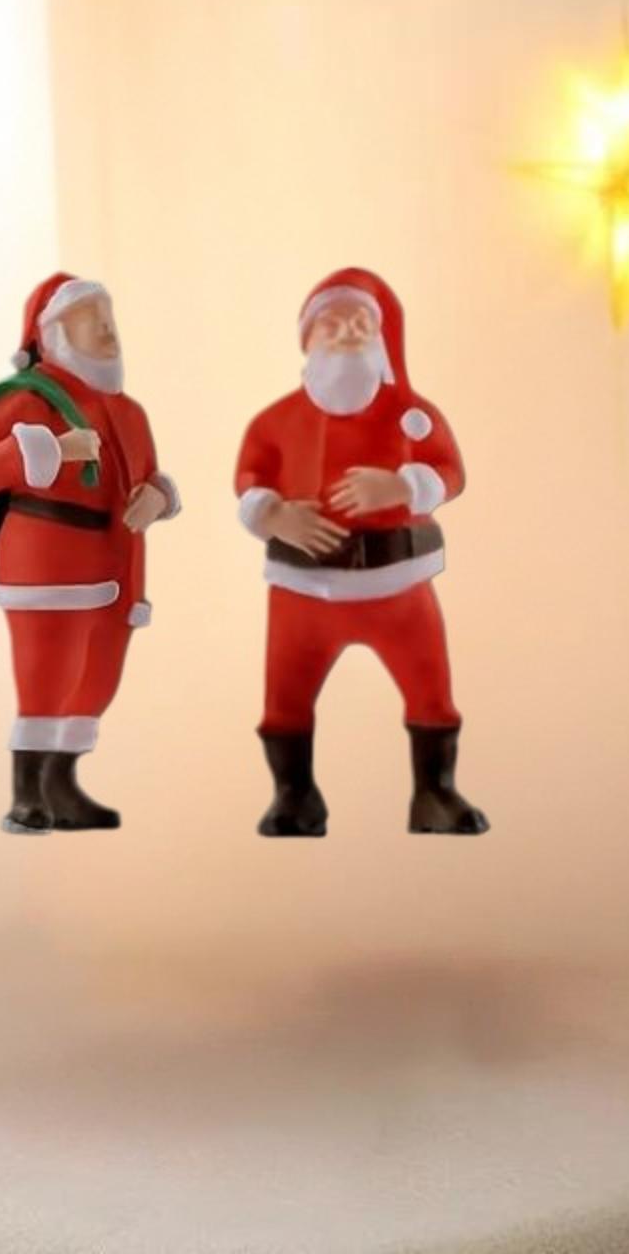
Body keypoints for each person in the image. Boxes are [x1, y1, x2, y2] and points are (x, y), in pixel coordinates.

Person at [234, 267, 489, 837]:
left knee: (429, 688)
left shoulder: (412, 416)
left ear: (380, 337)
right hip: (303, 592)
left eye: (360, 323)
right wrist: (274, 515)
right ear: (308, 339)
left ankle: (435, 792)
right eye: (333, 322)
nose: (348, 332)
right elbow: (250, 478)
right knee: (286, 694)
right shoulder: (275, 422)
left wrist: (402, 486)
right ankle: (294, 795)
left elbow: (448, 470)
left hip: (399, 587)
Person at [0, 273, 180, 833]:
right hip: (47, 568)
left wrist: (157, 497)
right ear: (54, 334)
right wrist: (51, 449)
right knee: (46, 676)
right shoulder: (30, 401)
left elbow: (148, 475)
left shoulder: (130, 413)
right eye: (89, 319)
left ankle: (61, 784)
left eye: (109, 317)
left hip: (115, 570)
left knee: (95, 682)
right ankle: (27, 793)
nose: (107, 329)